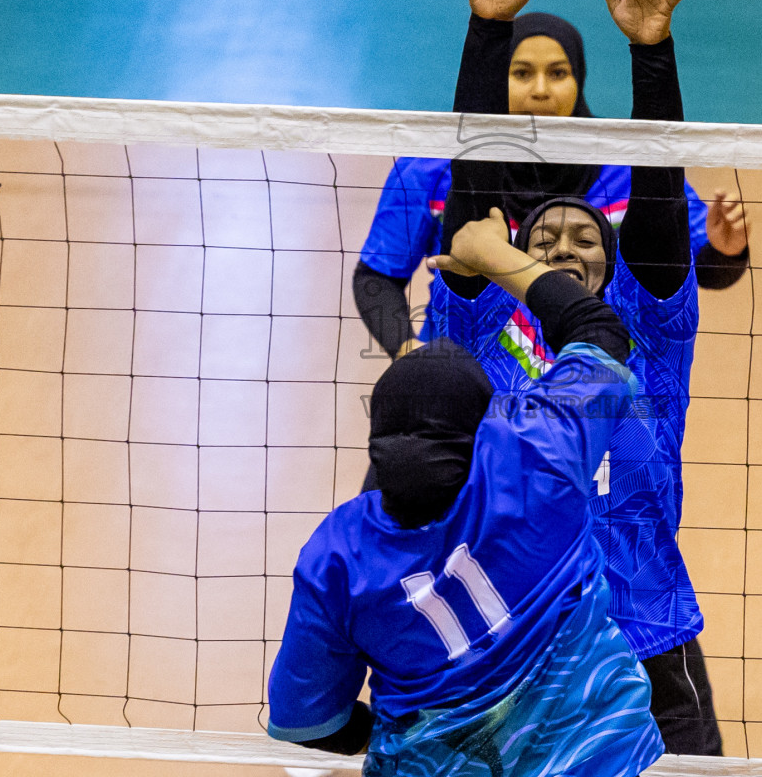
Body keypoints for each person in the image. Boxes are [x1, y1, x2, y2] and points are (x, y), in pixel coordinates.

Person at [428, 0, 724, 755]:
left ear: (614, 258)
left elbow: (660, 193)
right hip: (515, 632)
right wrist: (488, 32)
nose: (563, 244)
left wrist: (651, 51)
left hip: (644, 630)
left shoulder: (650, 327)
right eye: (544, 237)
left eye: (586, 236)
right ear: (514, 251)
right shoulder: (491, 323)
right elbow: (476, 168)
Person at [266, 208, 664, 777]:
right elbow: (600, 334)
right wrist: (495, 253)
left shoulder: (337, 554)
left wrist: (376, 734)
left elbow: (309, 723)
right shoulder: (535, 456)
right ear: (483, 432)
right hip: (600, 759)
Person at [353, 0, 750, 361]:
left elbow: (683, 273)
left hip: (593, 372)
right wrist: (407, 349)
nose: (540, 90)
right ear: (498, 78)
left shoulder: (626, 168)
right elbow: (376, 276)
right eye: (521, 73)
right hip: (472, 376)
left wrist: (726, 250)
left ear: (579, 78)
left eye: (557, 73)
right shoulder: (431, 170)